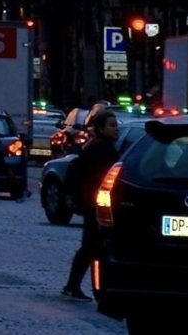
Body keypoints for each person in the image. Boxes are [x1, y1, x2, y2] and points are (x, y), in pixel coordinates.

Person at [62, 109, 120, 300]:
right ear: (101, 128)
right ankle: (89, 287)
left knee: (90, 247)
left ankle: (74, 285)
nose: (116, 129)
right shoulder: (104, 149)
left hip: (91, 204)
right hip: (97, 205)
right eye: (111, 125)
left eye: (116, 125)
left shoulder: (94, 146)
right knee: (93, 247)